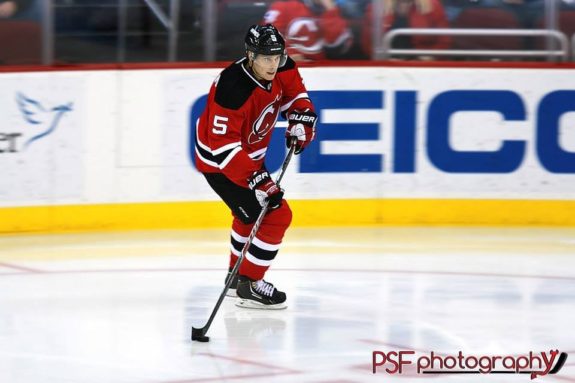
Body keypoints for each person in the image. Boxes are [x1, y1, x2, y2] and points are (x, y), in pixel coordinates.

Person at [195, 24, 317, 309]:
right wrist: (258, 180)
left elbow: (296, 96)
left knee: (249, 217)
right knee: (276, 215)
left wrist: (302, 120)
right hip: (221, 164)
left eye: (277, 56)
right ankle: (249, 284)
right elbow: (223, 148)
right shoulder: (232, 87)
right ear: (250, 55)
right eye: (265, 58)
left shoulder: (282, 66)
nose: (273, 64)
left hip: (248, 155)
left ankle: (235, 276)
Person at [262, 0, 353, 61]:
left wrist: (331, 10)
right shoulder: (284, 5)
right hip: (286, 68)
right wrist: (289, 54)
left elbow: (336, 46)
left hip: (321, 71)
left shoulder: (337, 11)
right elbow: (266, 35)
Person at [361, 0, 451, 60]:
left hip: (422, 64)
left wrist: (429, 57)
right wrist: (386, 60)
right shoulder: (377, 7)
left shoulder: (433, 6)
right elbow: (367, 43)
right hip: (388, 65)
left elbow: (444, 41)